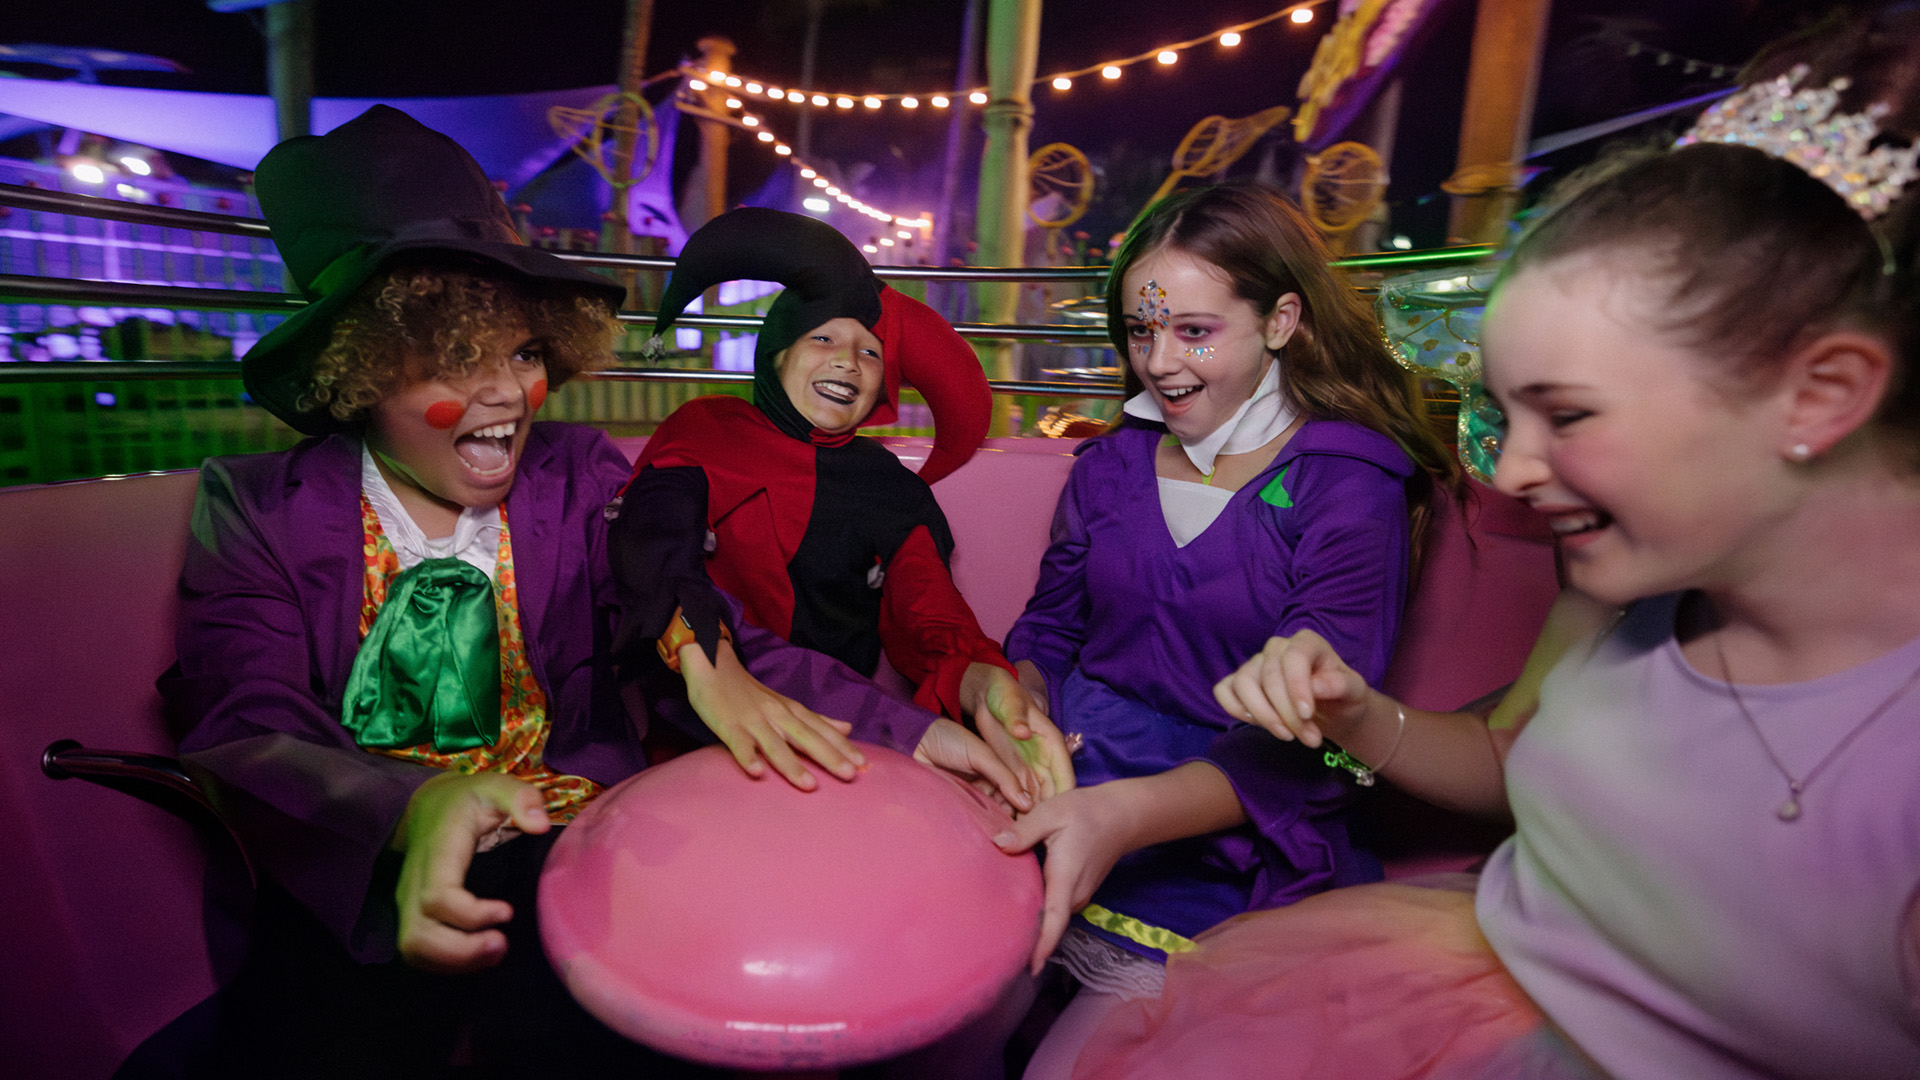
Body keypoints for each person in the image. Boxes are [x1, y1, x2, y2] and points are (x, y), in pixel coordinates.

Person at [1067, 11, 1920, 1077]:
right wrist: (1352, 709)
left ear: (1820, 393)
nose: (1507, 472)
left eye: (1566, 417)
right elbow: (1510, 760)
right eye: (1504, 414)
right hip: (1462, 980)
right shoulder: (1625, 587)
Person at [154, 106, 1023, 1078]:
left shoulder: (576, 479)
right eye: (450, 360)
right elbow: (246, 718)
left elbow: (707, 631)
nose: (502, 396)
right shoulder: (257, 510)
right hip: (357, 899)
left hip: (573, 862)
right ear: (355, 374)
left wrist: (917, 733)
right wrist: (410, 809)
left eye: (521, 354)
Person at [991, 180, 1463, 1076]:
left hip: (1233, 847)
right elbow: (1049, 625)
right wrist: (1019, 702)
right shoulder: (1110, 463)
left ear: (1282, 321)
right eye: (1141, 331)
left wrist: (1122, 815)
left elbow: (1314, 731)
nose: (1159, 364)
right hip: (1057, 797)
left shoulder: (1344, 482)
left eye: (1194, 331)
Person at [613, 207, 1074, 803]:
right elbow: (654, 545)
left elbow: (929, 610)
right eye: (823, 337)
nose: (847, 361)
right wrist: (707, 658)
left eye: (871, 353)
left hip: (845, 742)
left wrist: (985, 681)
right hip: (691, 730)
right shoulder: (705, 429)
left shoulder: (889, 485)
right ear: (776, 353)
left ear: (882, 391)